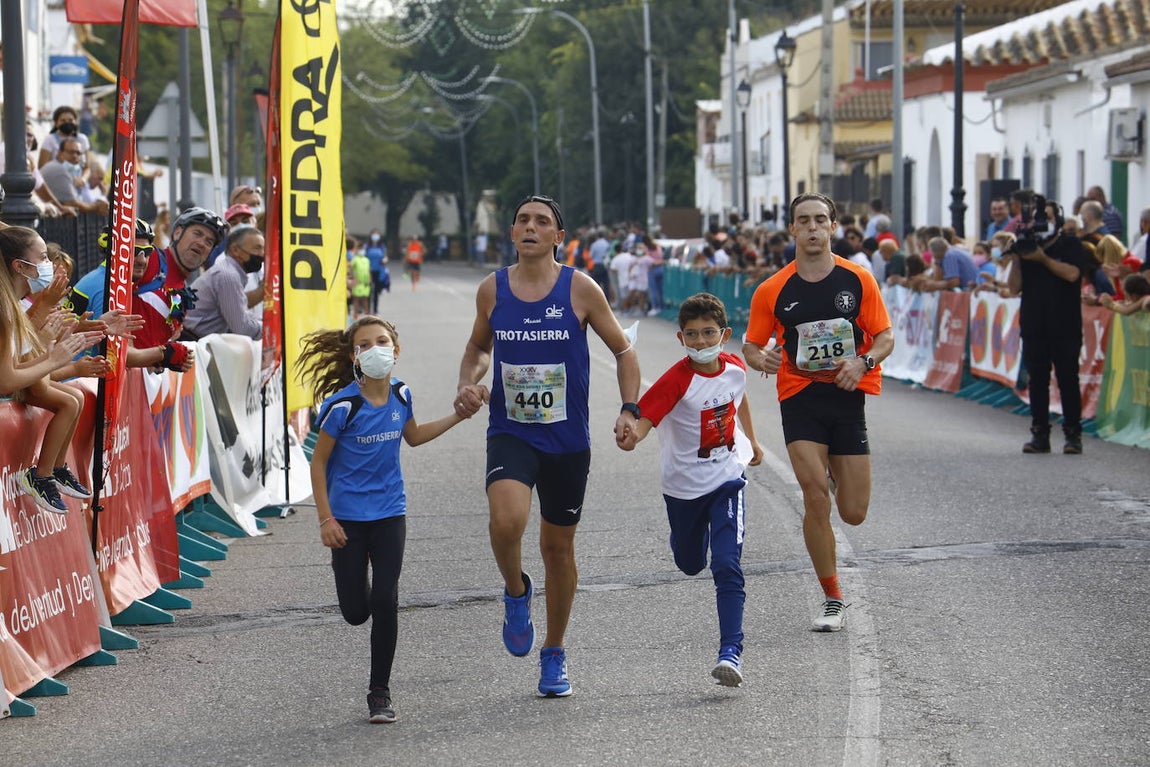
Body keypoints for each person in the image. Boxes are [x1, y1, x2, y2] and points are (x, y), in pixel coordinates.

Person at [454, 194, 641, 697]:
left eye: (542, 222)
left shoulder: (580, 289)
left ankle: (554, 651)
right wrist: (467, 381)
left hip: (566, 440)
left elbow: (623, 351)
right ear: (512, 234)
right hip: (511, 430)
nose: (531, 227)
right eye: (522, 220)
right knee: (506, 521)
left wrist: (630, 408)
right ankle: (516, 590)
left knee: (557, 547)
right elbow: (477, 347)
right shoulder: (491, 290)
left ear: (559, 236)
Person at [299, 315, 466, 724]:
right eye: (365, 344)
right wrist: (325, 520)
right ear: (354, 355)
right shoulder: (342, 405)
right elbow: (318, 465)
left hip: (391, 514)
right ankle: (359, 580)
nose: (375, 349)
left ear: (396, 348)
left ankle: (379, 693)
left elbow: (414, 435)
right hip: (348, 522)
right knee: (357, 611)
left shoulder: (401, 393)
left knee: (385, 602)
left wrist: (458, 416)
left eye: (382, 341)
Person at [741, 193, 894, 632]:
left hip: (847, 398)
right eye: (803, 221)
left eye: (820, 220)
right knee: (813, 498)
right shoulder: (772, 289)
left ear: (833, 226)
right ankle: (832, 597)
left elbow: (884, 337)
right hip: (800, 396)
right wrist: (760, 358)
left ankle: (832, 473)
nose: (812, 228)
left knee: (854, 512)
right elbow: (752, 344)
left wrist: (862, 362)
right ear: (792, 229)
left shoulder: (858, 279)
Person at [617, 292, 764, 686]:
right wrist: (632, 435)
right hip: (683, 488)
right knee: (690, 563)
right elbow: (645, 418)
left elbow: (739, 397)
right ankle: (686, 543)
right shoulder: (676, 380)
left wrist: (752, 440)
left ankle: (731, 652)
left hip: (727, 479)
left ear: (724, 334)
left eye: (709, 333)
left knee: (726, 564)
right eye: (693, 335)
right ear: (681, 339)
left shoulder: (734, 367)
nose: (701, 342)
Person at [0, 226, 104, 512]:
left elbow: (15, 365)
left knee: (74, 400)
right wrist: (55, 359)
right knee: (69, 400)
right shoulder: (7, 307)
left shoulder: (10, 305)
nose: (49, 266)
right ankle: (42, 474)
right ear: (19, 266)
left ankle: (51, 471)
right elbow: (7, 380)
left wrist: (55, 354)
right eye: (43, 258)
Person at [1005, 198, 1087, 454]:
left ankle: (1073, 435)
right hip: (1034, 324)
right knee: (1037, 381)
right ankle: (1039, 433)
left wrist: (1043, 259)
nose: (1043, 223)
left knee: (1067, 380)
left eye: (1048, 218)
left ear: (1058, 221)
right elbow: (1013, 287)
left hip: (1065, 324)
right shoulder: (1028, 246)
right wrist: (1018, 258)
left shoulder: (1071, 244)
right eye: (1039, 218)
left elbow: (1073, 274)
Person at [181, 226, 265, 340]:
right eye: (257, 248)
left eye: (263, 249)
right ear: (235, 250)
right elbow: (242, 328)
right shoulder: (228, 275)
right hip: (188, 341)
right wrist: (270, 329)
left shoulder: (229, 272)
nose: (262, 254)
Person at [365, 229, 389, 306]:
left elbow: (385, 256)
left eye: (377, 234)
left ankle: (375, 309)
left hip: (379, 270)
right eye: (373, 234)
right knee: (369, 291)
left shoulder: (381, 246)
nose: (375, 236)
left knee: (376, 291)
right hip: (369, 270)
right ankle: (368, 308)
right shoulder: (367, 246)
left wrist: (385, 260)